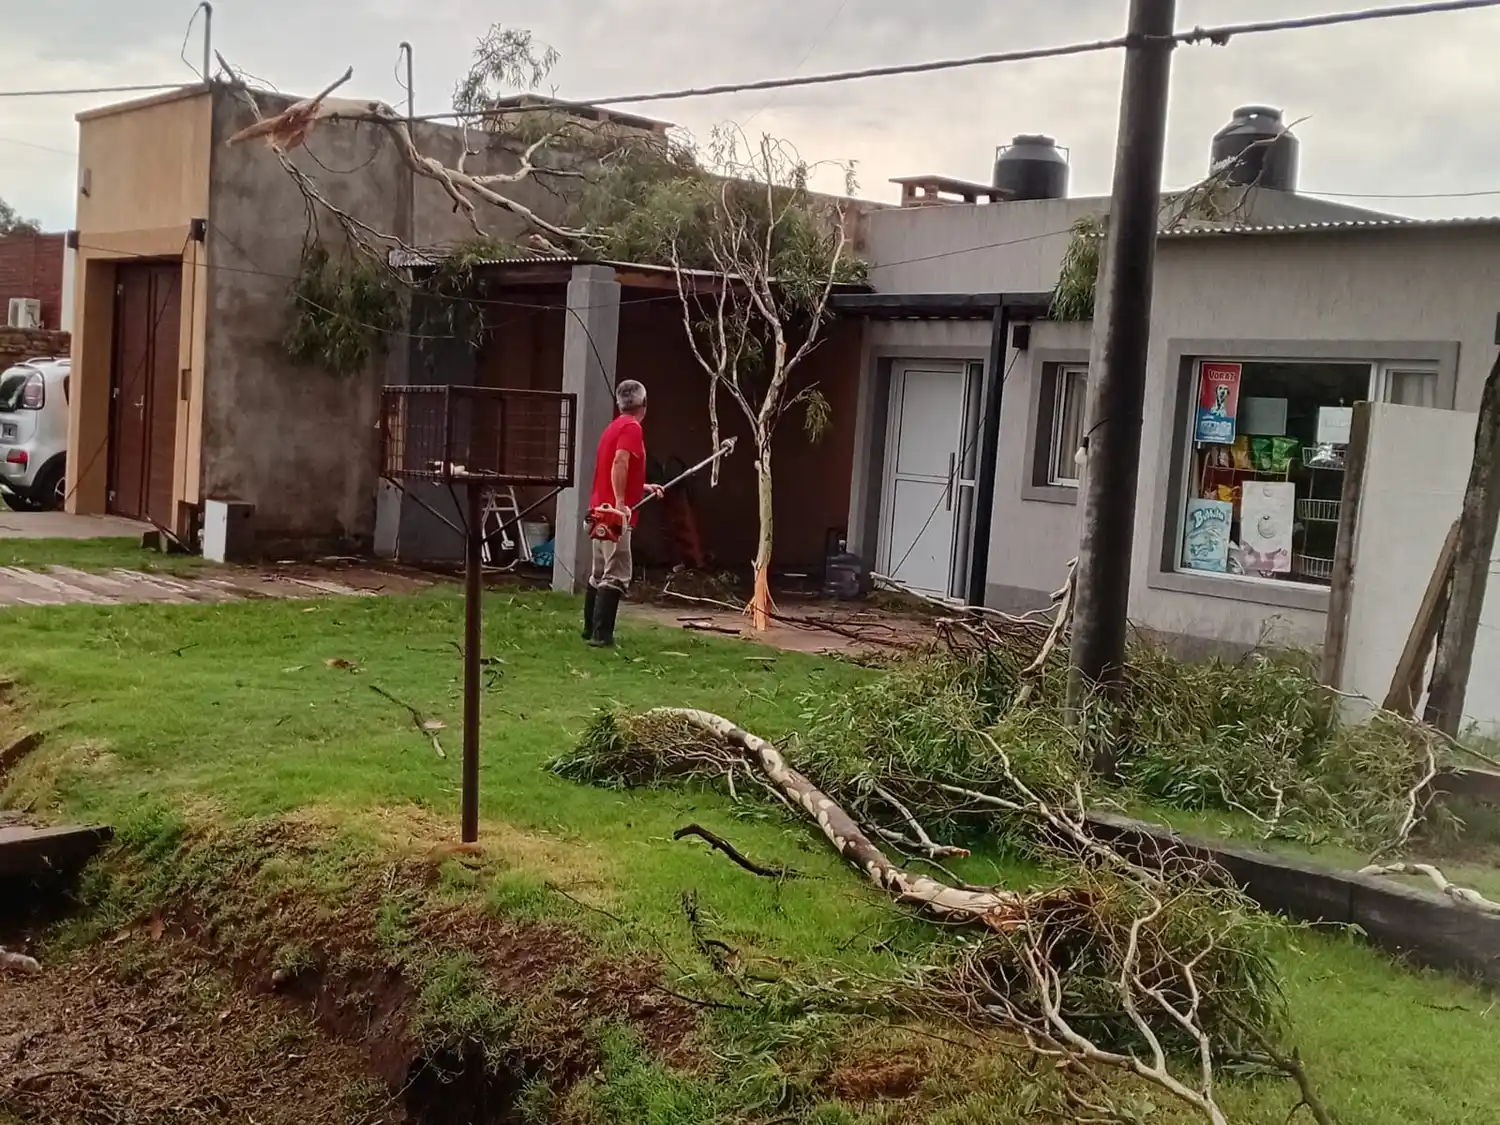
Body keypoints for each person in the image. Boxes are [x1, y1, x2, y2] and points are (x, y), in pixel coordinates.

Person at [583, 379, 662, 647]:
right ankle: (601, 636)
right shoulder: (632, 427)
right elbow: (620, 461)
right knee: (615, 573)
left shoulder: (613, 427)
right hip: (613, 513)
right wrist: (620, 503)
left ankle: (589, 629)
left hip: (598, 509)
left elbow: (613, 467)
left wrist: (642, 486)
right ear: (644, 405)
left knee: (599, 571)